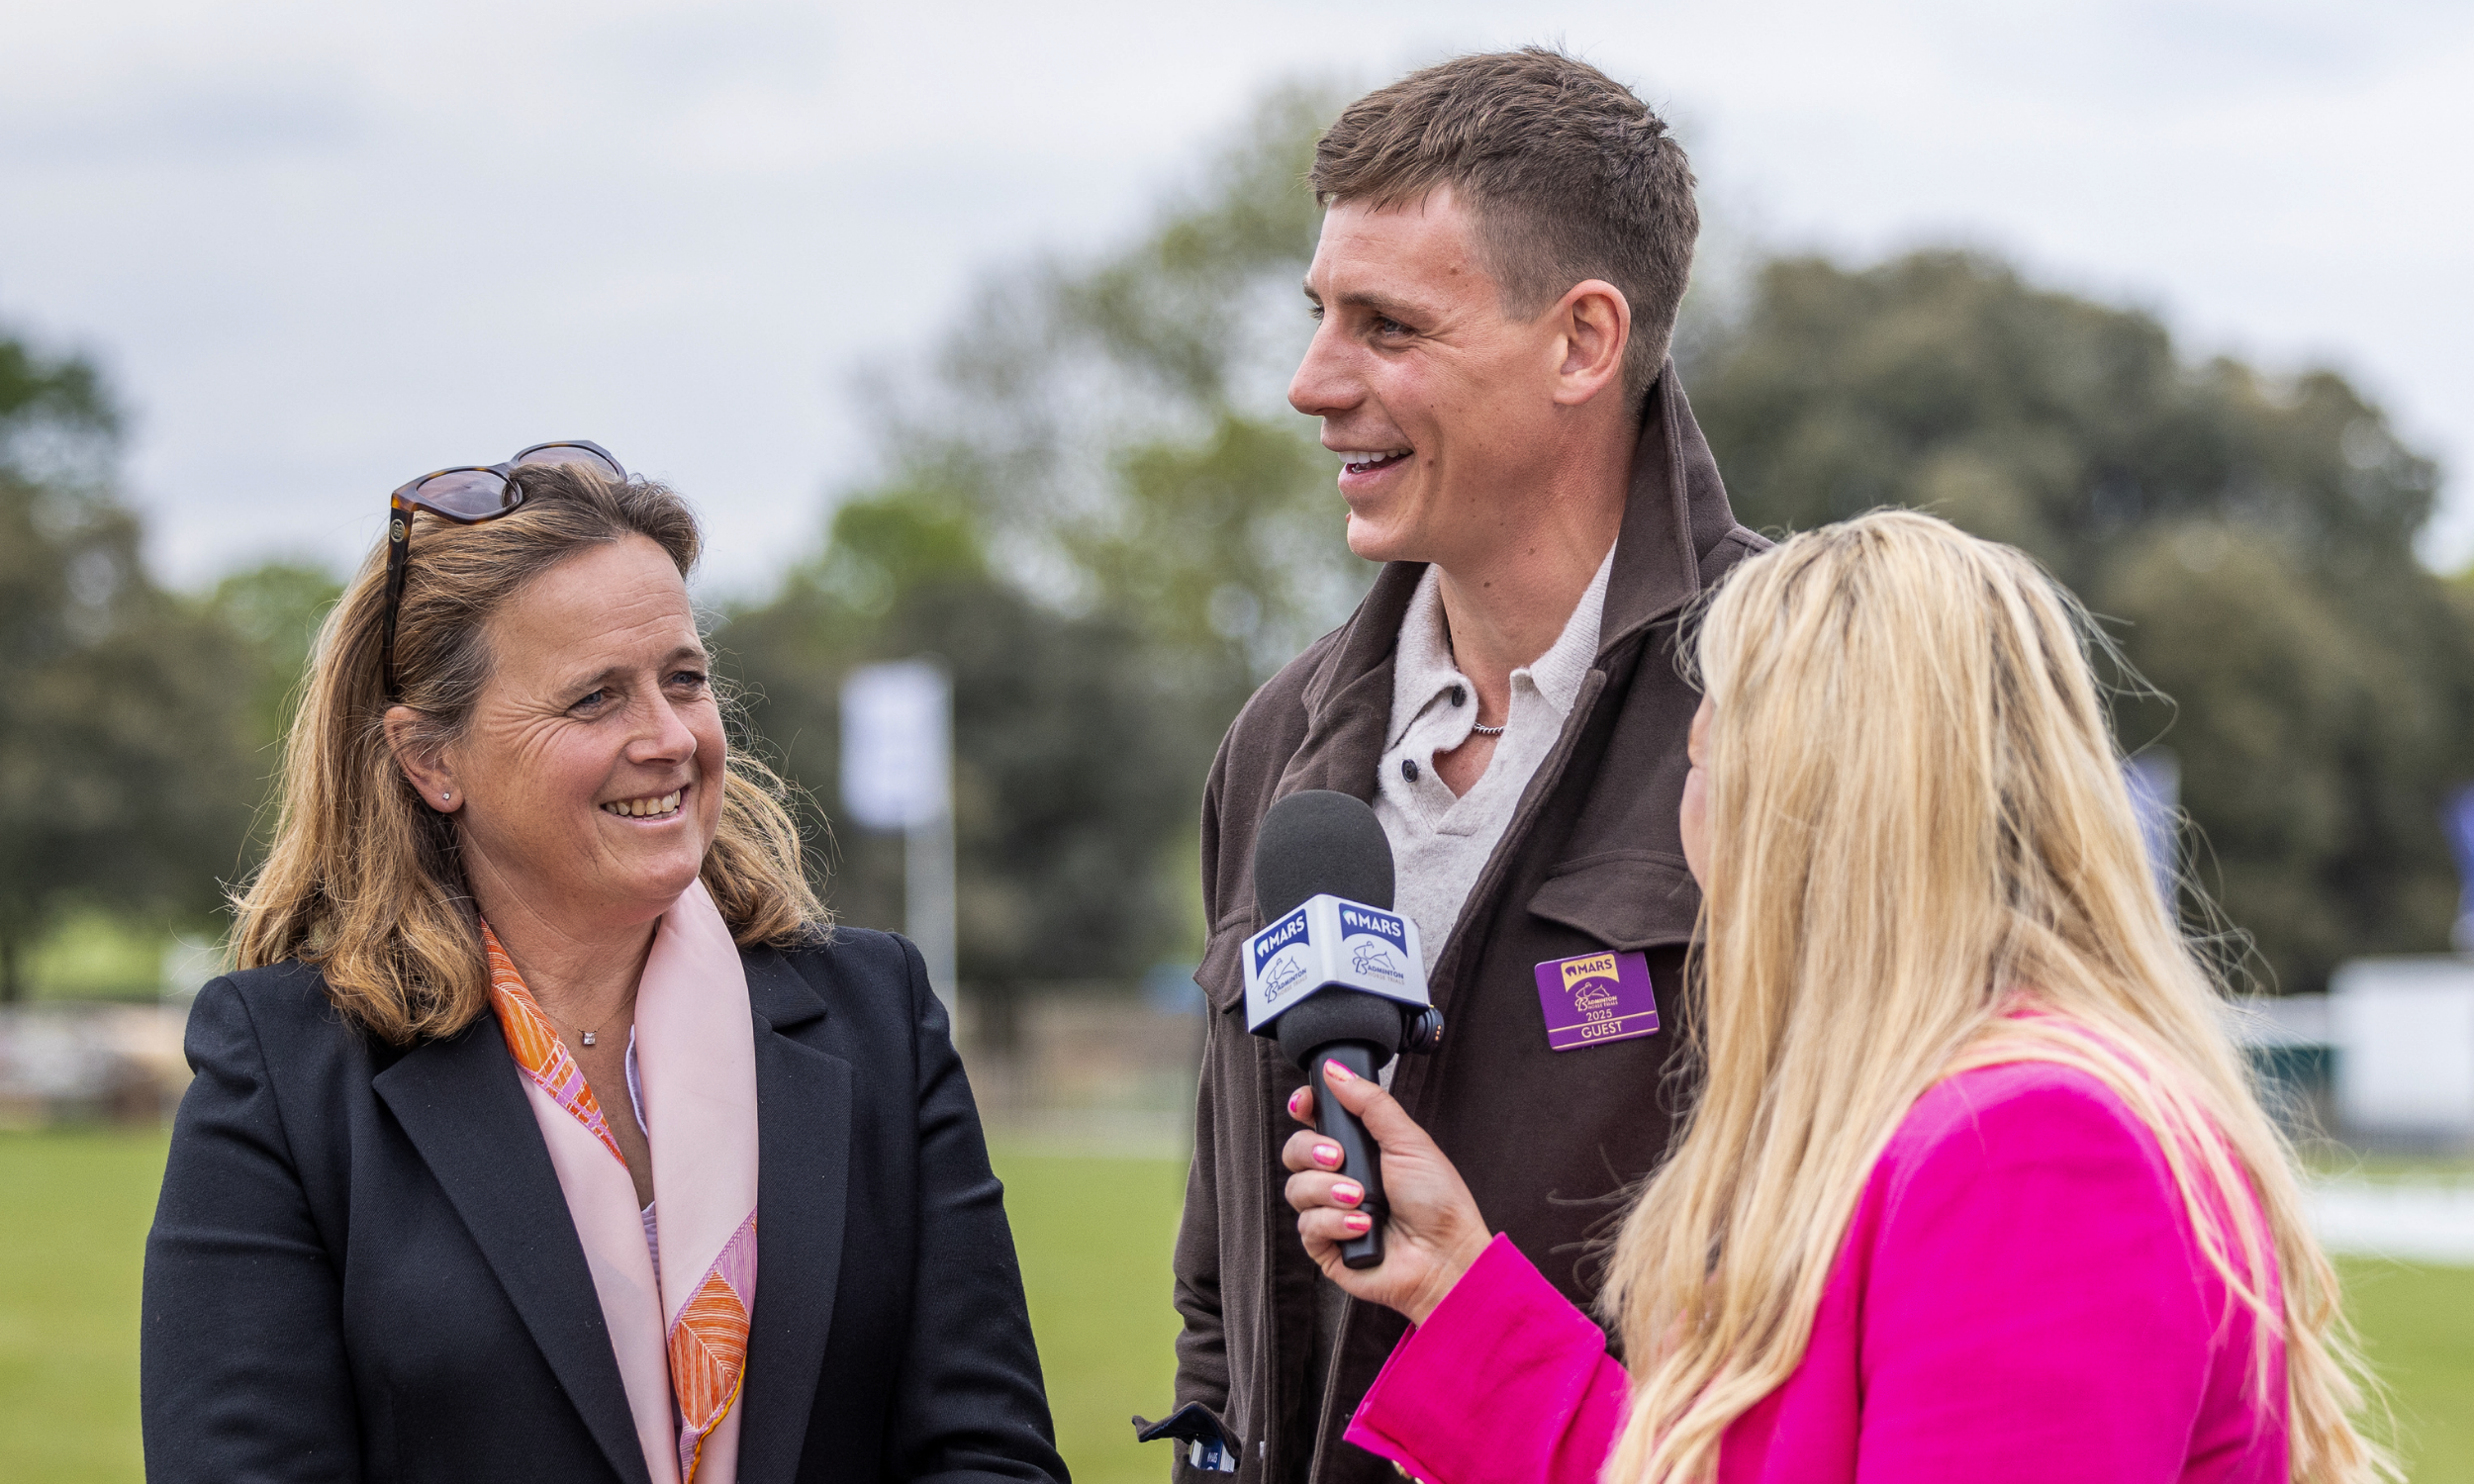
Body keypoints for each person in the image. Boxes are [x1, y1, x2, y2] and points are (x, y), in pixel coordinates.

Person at [1282, 511, 2392, 1483]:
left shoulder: (2029, 1149)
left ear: (1809, 805)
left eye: (1702, 758)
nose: (1681, 818)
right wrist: (1457, 1288)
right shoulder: (1938, 1117)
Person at [142, 448, 1067, 1484]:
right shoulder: (287, 1073)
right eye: (594, 699)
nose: (669, 737)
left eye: (684, 680)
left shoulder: (876, 1016)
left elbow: (987, 1453)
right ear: (430, 759)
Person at [1171, 46, 1766, 1484]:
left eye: (1387, 326)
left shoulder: (1802, 701)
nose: (1311, 384)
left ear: (1582, 343)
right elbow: (1218, 1295)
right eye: (1320, 315)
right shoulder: (1277, 740)